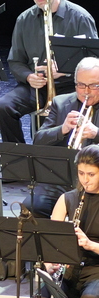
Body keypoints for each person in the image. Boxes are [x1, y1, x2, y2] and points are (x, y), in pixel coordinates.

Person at [0, 0, 96, 145]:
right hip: (37, 87)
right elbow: (15, 61)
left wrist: (64, 71)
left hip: (71, 87)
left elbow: (94, 61)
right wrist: (28, 76)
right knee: (2, 108)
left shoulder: (80, 18)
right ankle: (20, 155)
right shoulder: (24, 19)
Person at [31, 146, 99, 298]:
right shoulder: (67, 199)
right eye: (81, 173)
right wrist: (51, 263)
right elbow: (51, 242)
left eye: (91, 174)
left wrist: (90, 244)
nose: (85, 180)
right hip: (71, 268)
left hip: (97, 270)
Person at [30, 57, 99, 216]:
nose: (86, 91)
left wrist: (96, 133)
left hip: (96, 180)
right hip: (61, 178)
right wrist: (63, 129)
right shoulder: (60, 103)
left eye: (93, 86)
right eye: (81, 85)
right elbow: (38, 140)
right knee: (33, 206)